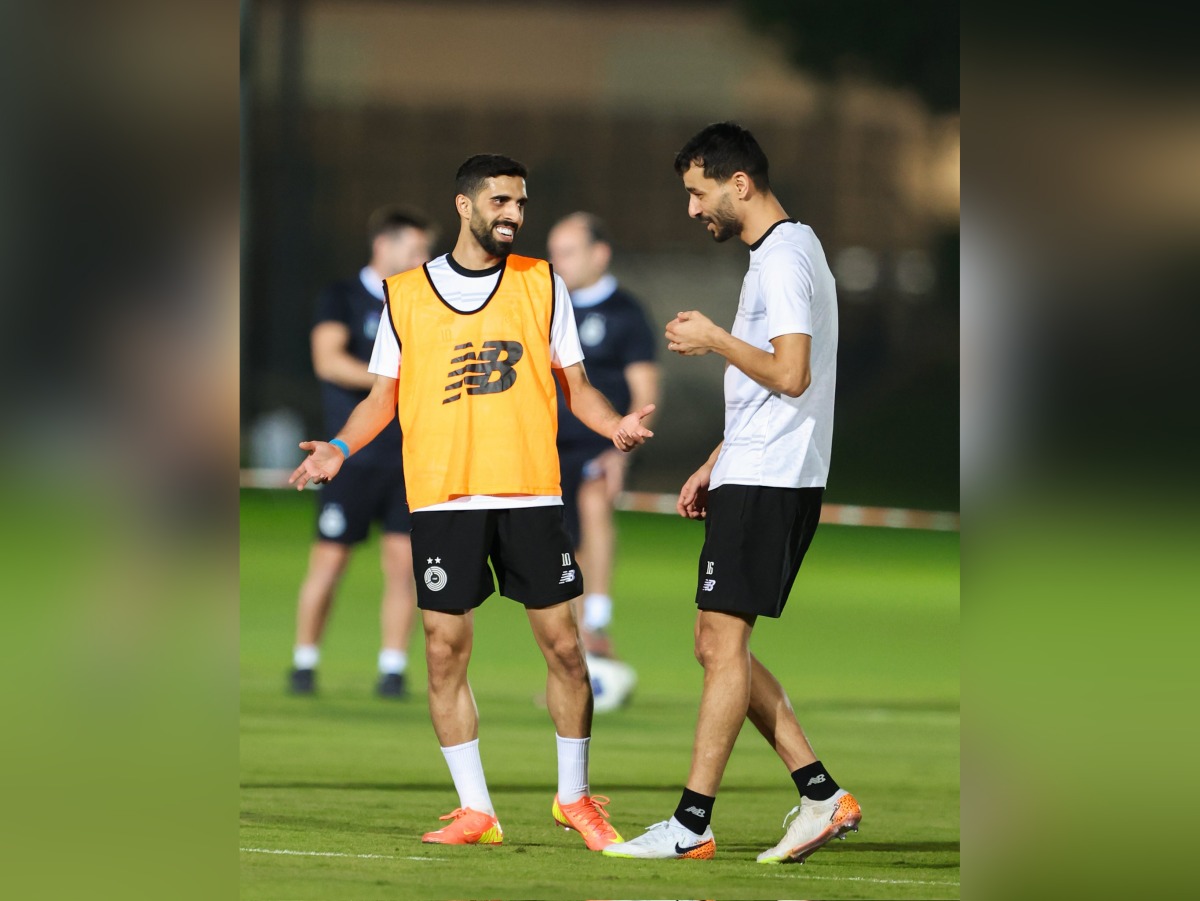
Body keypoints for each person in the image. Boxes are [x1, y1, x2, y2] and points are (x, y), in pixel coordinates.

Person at [289, 154, 655, 851]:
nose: (512, 214)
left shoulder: (543, 283)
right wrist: (338, 447)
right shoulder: (405, 294)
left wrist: (614, 425)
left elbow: (577, 385)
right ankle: (476, 809)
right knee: (444, 650)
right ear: (464, 205)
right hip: (441, 496)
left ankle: (574, 797)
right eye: (499, 201)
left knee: (565, 650)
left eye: (520, 202)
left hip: (528, 490)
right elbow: (381, 398)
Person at [603, 122, 862, 863]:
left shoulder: (782, 260)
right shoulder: (787, 252)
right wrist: (718, 457)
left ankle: (691, 824)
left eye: (697, 191)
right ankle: (820, 794)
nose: (691, 209)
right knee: (717, 643)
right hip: (756, 467)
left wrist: (714, 338)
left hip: (774, 476)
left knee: (722, 644)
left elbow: (790, 374)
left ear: (738, 182)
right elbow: (777, 391)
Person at [288, 207, 432, 699]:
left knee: (402, 566)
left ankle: (392, 668)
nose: (423, 259)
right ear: (382, 246)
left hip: (406, 459)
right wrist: (390, 384)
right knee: (328, 563)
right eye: (414, 250)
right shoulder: (342, 297)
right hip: (348, 456)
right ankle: (303, 662)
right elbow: (328, 360)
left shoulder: (418, 301)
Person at [547, 212, 659, 708]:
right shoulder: (546, 307)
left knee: (595, 510)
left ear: (600, 254)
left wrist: (623, 455)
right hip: (545, 448)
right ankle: (573, 657)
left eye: (568, 251)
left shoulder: (626, 313)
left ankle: (597, 623)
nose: (558, 262)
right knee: (554, 550)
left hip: (598, 445)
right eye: (554, 251)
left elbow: (645, 392)